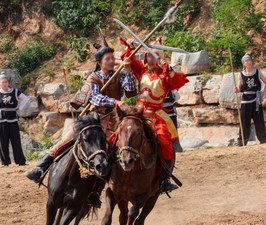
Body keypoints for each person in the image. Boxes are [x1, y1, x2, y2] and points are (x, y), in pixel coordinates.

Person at [25, 44, 137, 183]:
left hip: (116, 120)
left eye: (112, 58)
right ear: (99, 62)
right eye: (107, 59)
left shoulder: (120, 75)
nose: (112, 61)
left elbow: (130, 89)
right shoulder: (93, 78)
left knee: (127, 144)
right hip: (95, 119)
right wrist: (115, 101)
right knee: (67, 139)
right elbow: (95, 98)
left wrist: (129, 70)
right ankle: (40, 168)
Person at [121, 40, 189, 192]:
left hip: (156, 116)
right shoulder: (142, 71)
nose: (149, 60)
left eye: (153, 57)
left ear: (159, 58)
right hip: (137, 112)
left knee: (165, 144)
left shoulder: (165, 77)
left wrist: (166, 66)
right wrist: (130, 46)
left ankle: (164, 179)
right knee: (118, 136)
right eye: (147, 56)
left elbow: (179, 80)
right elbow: (128, 59)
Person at [233, 53, 266, 146]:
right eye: (246, 61)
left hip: (256, 100)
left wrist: (263, 94)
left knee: (259, 120)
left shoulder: (258, 72)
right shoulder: (240, 75)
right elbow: (239, 88)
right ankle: (242, 141)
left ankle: (263, 139)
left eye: (249, 60)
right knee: (244, 121)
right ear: (243, 64)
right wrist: (236, 90)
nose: (249, 62)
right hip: (245, 100)